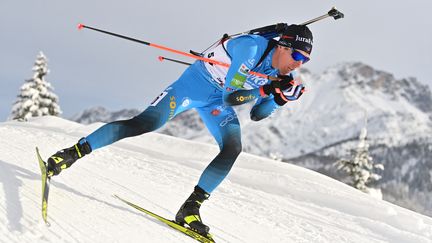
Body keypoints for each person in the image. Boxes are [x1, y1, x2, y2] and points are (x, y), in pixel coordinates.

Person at [45, 24, 312, 236]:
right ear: (283, 45)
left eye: (305, 60)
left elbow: (256, 114)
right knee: (145, 123)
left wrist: (280, 99)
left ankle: (190, 208)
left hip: (215, 103)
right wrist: (267, 89)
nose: (298, 64)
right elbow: (232, 97)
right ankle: (70, 153)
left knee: (233, 148)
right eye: (297, 56)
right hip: (193, 87)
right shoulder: (251, 48)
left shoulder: (280, 74)